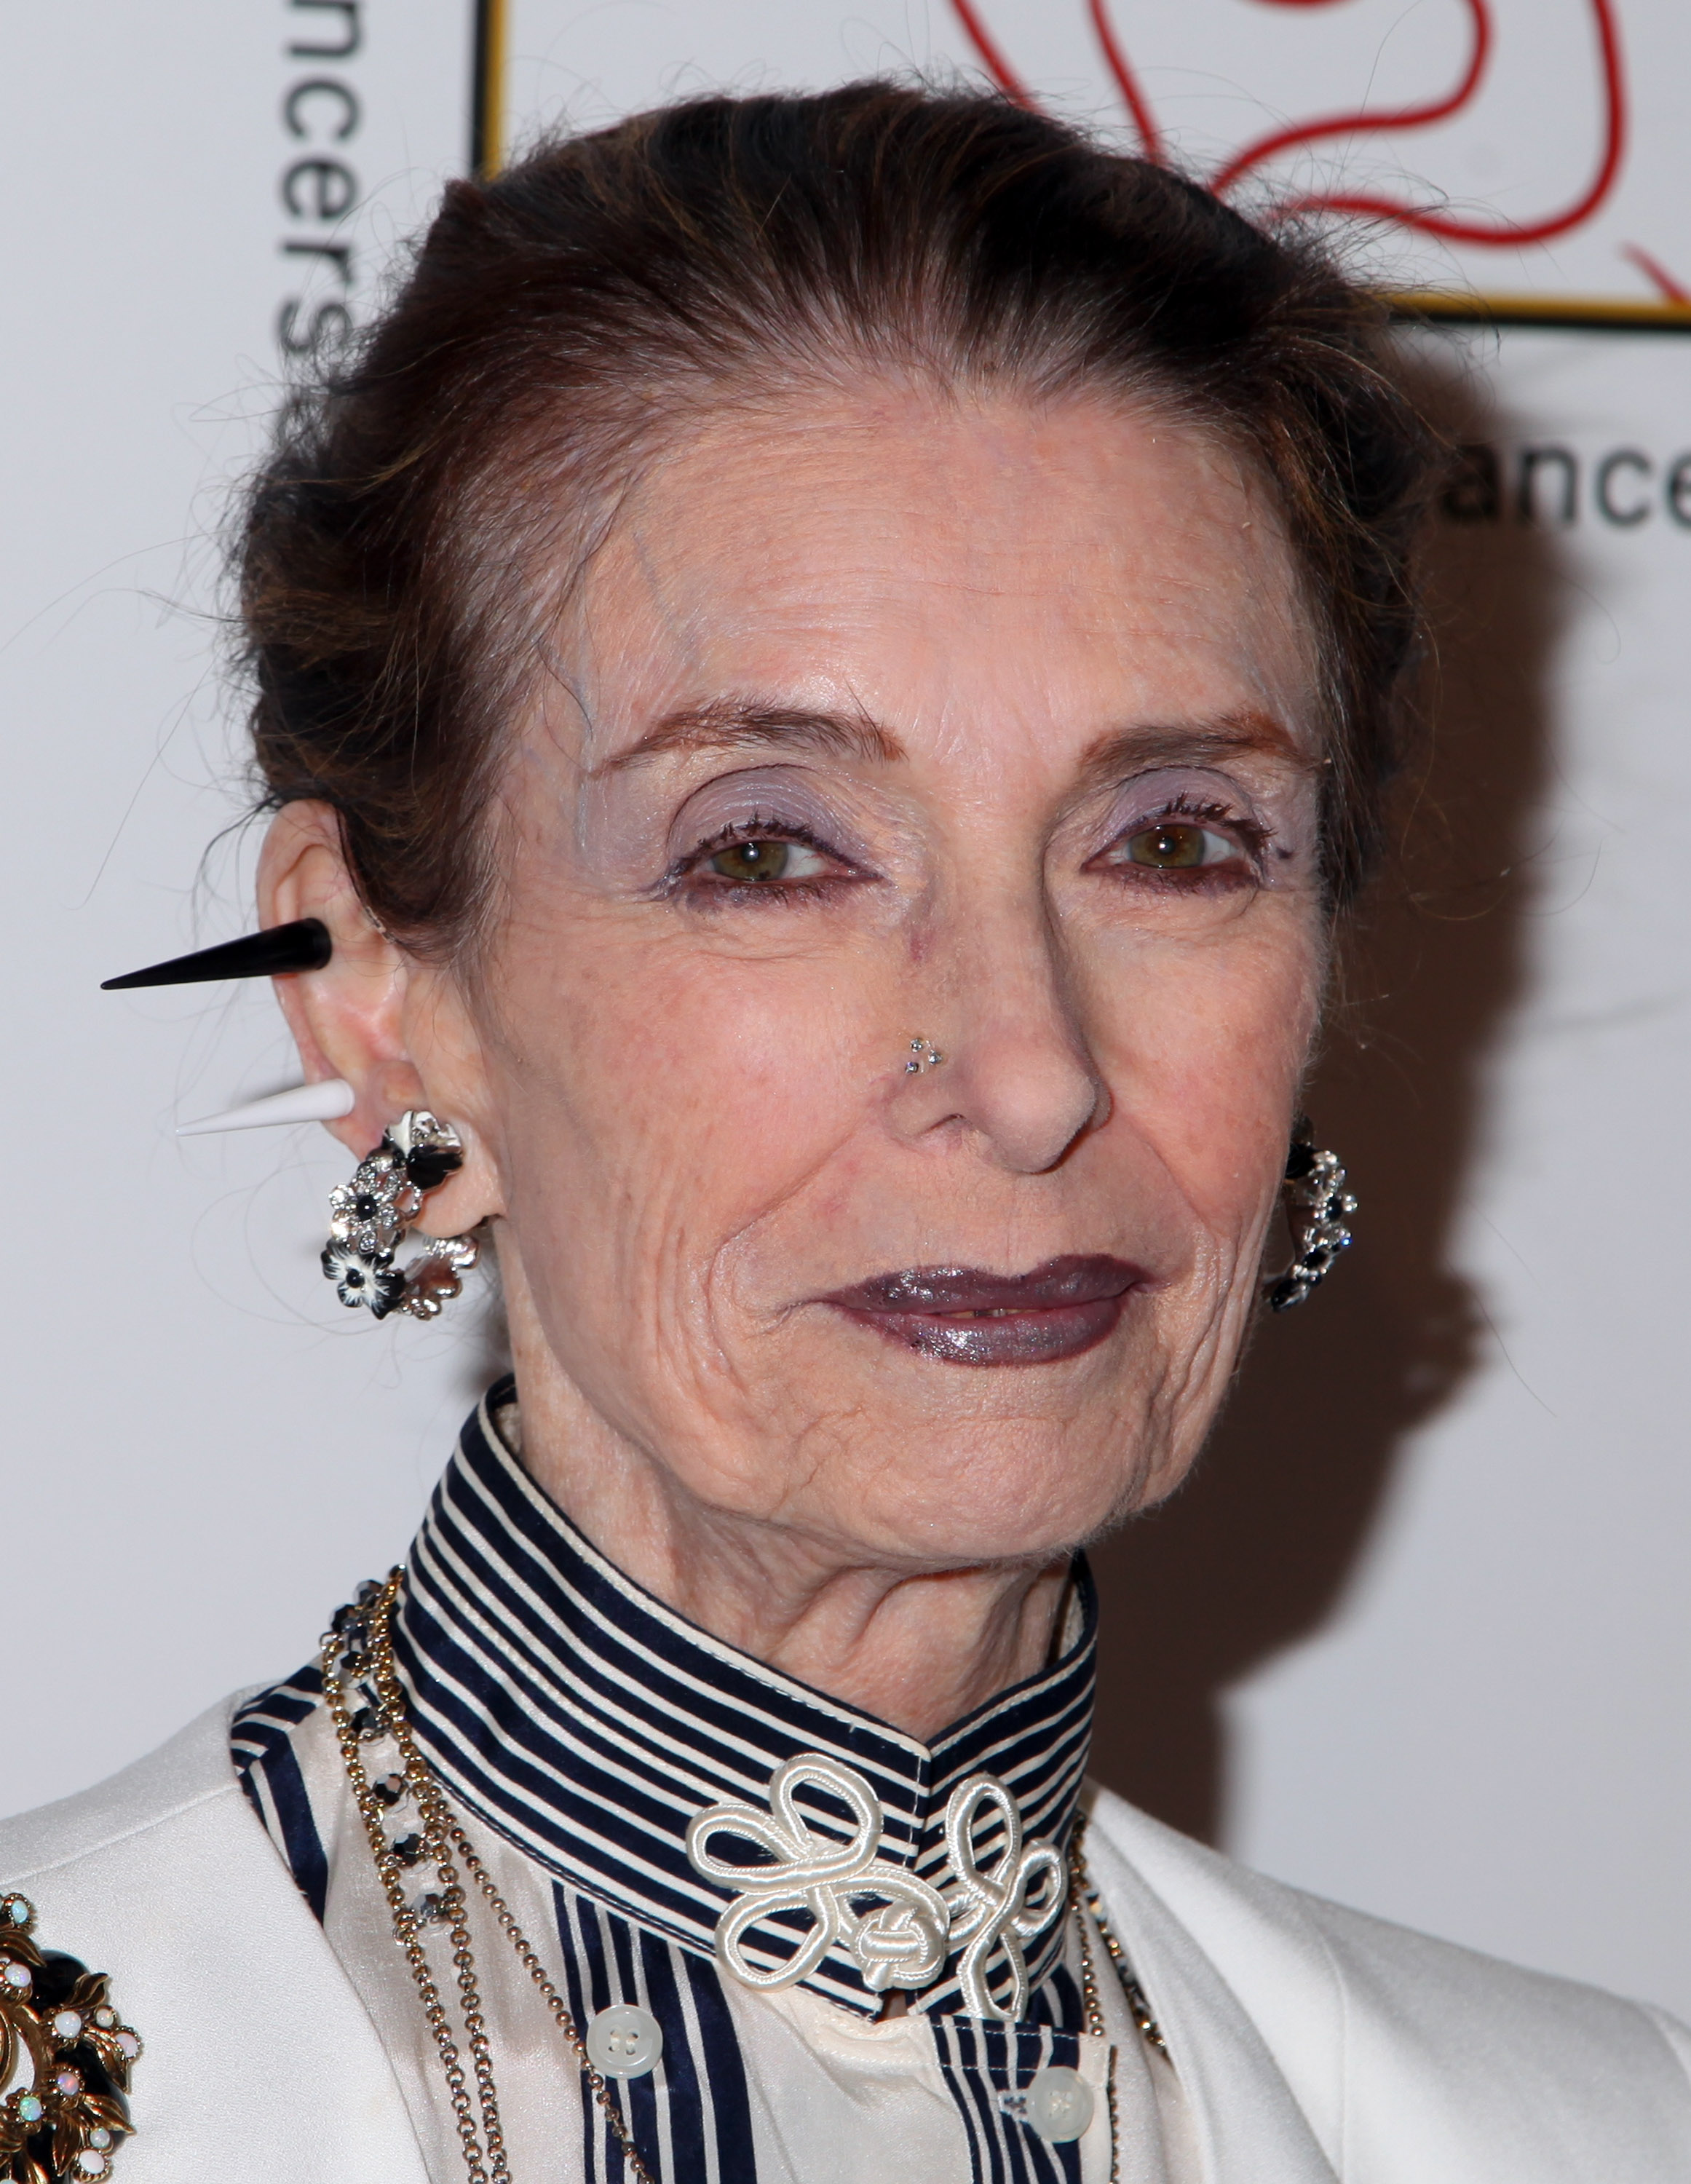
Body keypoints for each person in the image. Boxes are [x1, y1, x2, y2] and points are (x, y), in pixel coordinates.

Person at [4, 82, 1687, 2184]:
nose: (1028, 1065)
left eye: (1175, 841)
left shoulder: (1598, 2131)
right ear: (371, 984)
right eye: (770, 854)